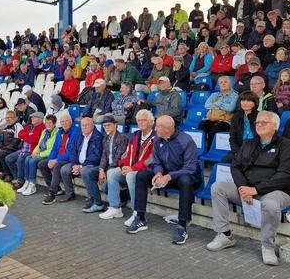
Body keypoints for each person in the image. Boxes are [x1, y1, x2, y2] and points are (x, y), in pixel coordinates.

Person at [206, 111, 290, 266]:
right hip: (248, 189)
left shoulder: (285, 145)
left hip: (276, 191)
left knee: (270, 204)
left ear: (275, 126)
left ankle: (267, 246)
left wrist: (256, 190)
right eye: (257, 122)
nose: (259, 125)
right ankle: (225, 235)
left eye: (264, 122)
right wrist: (243, 188)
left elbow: (285, 175)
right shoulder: (249, 143)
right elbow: (235, 166)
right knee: (218, 187)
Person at [127, 115, 201, 245]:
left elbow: (190, 168)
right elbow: (157, 161)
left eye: (158, 127)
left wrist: (167, 177)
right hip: (166, 173)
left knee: (186, 181)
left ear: (167, 129)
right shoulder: (157, 139)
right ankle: (140, 218)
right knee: (141, 175)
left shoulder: (186, 141)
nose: (155, 129)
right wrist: (158, 173)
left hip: (186, 176)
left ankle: (182, 226)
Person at [101, 110, 155, 225]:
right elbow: (127, 154)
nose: (140, 122)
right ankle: (115, 208)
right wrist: (124, 165)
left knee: (131, 176)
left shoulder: (155, 137)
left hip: (147, 172)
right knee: (112, 173)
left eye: (143, 120)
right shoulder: (135, 135)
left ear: (151, 122)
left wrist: (133, 168)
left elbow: (151, 159)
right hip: (131, 168)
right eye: (139, 120)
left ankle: (137, 213)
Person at [58, 117, 104, 209]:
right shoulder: (79, 135)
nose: (85, 127)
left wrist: (81, 166)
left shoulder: (98, 137)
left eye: (87, 125)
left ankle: (93, 199)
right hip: (78, 163)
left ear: (92, 125)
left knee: (85, 171)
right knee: (64, 169)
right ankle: (69, 193)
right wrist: (75, 164)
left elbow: (96, 156)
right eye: (83, 125)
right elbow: (72, 150)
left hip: (91, 164)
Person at [40, 114, 79, 205]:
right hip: (58, 157)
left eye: (66, 121)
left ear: (71, 121)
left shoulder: (76, 132)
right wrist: (50, 159)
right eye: (62, 122)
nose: (64, 123)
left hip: (69, 158)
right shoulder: (60, 132)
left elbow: (71, 152)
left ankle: (52, 193)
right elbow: (54, 148)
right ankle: (56, 189)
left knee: (57, 165)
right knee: (42, 164)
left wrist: (56, 160)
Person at [6, 112, 46, 191]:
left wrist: (26, 137)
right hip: (23, 149)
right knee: (8, 158)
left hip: (32, 150)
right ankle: (18, 177)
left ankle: (20, 181)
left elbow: (34, 140)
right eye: (32, 117)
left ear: (40, 119)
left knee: (21, 159)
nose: (32, 119)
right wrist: (28, 134)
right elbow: (20, 134)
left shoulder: (42, 127)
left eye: (34, 117)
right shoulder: (30, 126)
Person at [21, 115, 59, 196]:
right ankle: (27, 181)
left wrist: (39, 155)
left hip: (48, 155)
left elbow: (52, 149)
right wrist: (34, 152)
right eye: (46, 123)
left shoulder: (57, 132)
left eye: (50, 123)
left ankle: (32, 185)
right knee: (28, 158)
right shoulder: (44, 131)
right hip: (40, 153)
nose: (48, 125)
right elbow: (39, 144)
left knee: (32, 161)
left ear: (54, 123)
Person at [198, 76, 239, 150]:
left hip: (225, 121)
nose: (223, 84)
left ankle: (210, 149)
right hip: (212, 118)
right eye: (221, 82)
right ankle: (201, 149)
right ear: (219, 85)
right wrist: (222, 108)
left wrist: (218, 103)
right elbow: (207, 105)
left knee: (216, 128)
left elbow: (230, 108)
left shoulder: (235, 95)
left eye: (225, 82)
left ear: (230, 83)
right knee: (202, 125)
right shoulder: (215, 94)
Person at [0, 111, 23, 182]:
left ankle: (9, 175)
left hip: (14, 149)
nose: (7, 119)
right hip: (5, 148)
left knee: (1, 153)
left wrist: (2, 149)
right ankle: (4, 172)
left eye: (9, 117)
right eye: (6, 118)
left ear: (15, 118)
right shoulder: (6, 126)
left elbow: (16, 142)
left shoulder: (18, 126)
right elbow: (2, 140)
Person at [224, 91, 258, 163]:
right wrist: (237, 153)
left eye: (248, 100)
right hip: (240, 148)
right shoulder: (235, 117)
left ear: (255, 103)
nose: (245, 103)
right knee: (225, 160)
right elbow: (232, 138)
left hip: (255, 149)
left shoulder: (260, 116)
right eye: (243, 100)